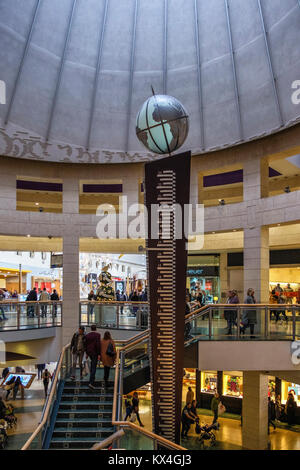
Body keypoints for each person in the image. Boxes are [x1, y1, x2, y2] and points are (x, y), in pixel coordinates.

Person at [85, 324, 101, 389]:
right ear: (96, 329)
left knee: (92, 365)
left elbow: (86, 344)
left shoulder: (87, 336)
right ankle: (91, 382)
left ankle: (91, 379)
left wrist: (86, 353)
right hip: (95, 352)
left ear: (91, 329)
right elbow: (98, 345)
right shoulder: (98, 335)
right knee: (94, 366)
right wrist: (99, 354)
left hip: (89, 352)